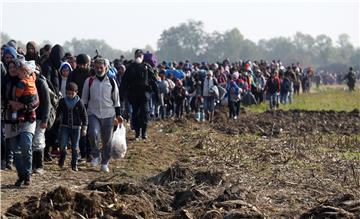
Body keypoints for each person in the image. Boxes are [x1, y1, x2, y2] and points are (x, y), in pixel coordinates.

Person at [82, 58, 122, 172]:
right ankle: (95, 154)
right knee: (92, 133)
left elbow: (116, 100)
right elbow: (84, 99)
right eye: (96, 67)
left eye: (101, 68)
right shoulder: (89, 81)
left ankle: (105, 162)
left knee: (107, 140)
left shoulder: (112, 82)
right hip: (93, 113)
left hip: (109, 114)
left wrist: (118, 115)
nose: (99, 70)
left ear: (106, 68)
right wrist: (83, 115)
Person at [4, 60, 38, 186]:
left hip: (28, 117)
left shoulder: (30, 81)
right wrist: (10, 103)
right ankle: (21, 175)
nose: (13, 69)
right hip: (10, 119)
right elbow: (2, 99)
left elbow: (36, 101)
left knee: (26, 144)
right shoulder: (5, 82)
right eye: (10, 67)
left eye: (15, 67)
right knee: (15, 150)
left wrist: (23, 106)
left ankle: (28, 173)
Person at [120, 49, 158, 140]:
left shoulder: (147, 66)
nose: (138, 57)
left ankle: (144, 132)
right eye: (137, 55)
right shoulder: (130, 67)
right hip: (133, 94)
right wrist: (121, 94)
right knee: (135, 113)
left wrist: (156, 92)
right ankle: (137, 133)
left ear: (143, 57)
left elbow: (153, 80)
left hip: (144, 94)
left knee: (145, 112)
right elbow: (124, 82)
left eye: (140, 55)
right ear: (134, 56)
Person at [57, 82, 88, 171]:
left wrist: (84, 127)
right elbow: (58, 111)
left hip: (76, 128)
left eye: (72, 93)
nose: (70, 95)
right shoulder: (62, 101)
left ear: (76, 92)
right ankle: (62, 158)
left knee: (75, 147)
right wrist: (57, 118)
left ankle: (74, 164)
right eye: (68, 93)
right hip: (64, 126)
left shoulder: (79, 103)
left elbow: (84, 115)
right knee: (62, 145)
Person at [32, 65, 51, 174]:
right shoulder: (25, 81)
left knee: (38, 140)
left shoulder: (41, 83)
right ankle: (32, 165)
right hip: (29, 117)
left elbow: (47, 103)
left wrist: (45, 119)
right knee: (31, 141)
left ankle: (39, 165)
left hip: (40, 117)